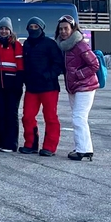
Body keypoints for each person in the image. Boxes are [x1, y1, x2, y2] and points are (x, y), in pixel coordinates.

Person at [56, 15, 99, 162]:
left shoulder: (80, 45)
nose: (63, 31)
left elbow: (94, 65)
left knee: (78, 117)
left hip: (85, 86)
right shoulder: (65, 45)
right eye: (61, 29)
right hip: (74, 86)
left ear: (72, 29)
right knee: (79, 118)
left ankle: (83, 150)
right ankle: (84, 147)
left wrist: (78, 74)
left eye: (66, 28)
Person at [20, 17, 64, 157]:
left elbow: (58, 64)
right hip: (32, 87)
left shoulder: (50, 44)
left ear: (41, 28)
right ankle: (31, 144)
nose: (33, 29)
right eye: (30, 26)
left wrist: (48, 75)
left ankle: (49, 146)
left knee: (50, 117)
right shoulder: (26, 44)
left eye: (36, 26)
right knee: (27, 116)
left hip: (49, 87)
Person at [0, 17, 24, 153]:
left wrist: (18, 84)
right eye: (1, 28)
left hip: (13, 85)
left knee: (11, 114)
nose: (4, 31)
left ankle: (11, 143)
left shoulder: (16, 45)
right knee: (0, 114)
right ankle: (2, 142)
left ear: (10, 31)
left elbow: (20, 66)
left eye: (6, 29)